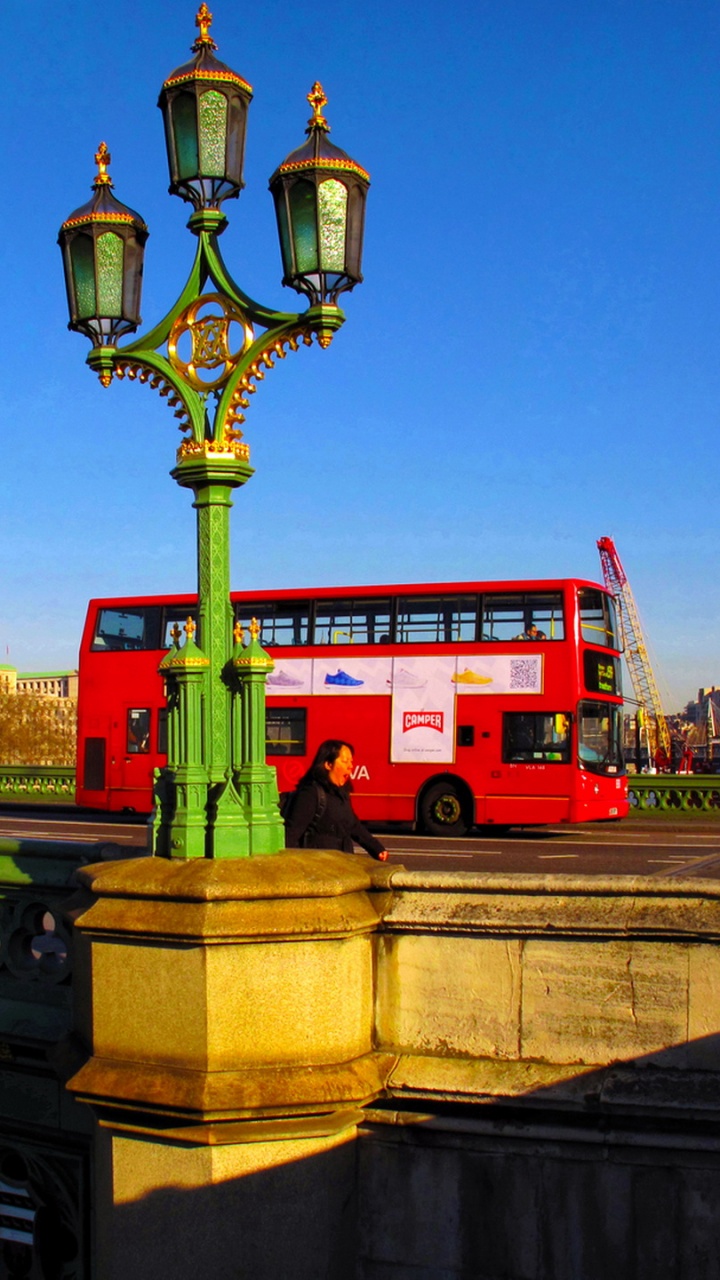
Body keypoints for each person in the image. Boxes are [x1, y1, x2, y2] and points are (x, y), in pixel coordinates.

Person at [284, 739, 389, 860]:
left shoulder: (342, 793)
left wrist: (376, 848)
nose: (350, 766)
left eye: (351, 761)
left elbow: (353, 824)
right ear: (328, 764)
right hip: (318, 864)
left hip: (341, 863)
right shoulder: (311, 793)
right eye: (345, 761)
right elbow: (292, 834)